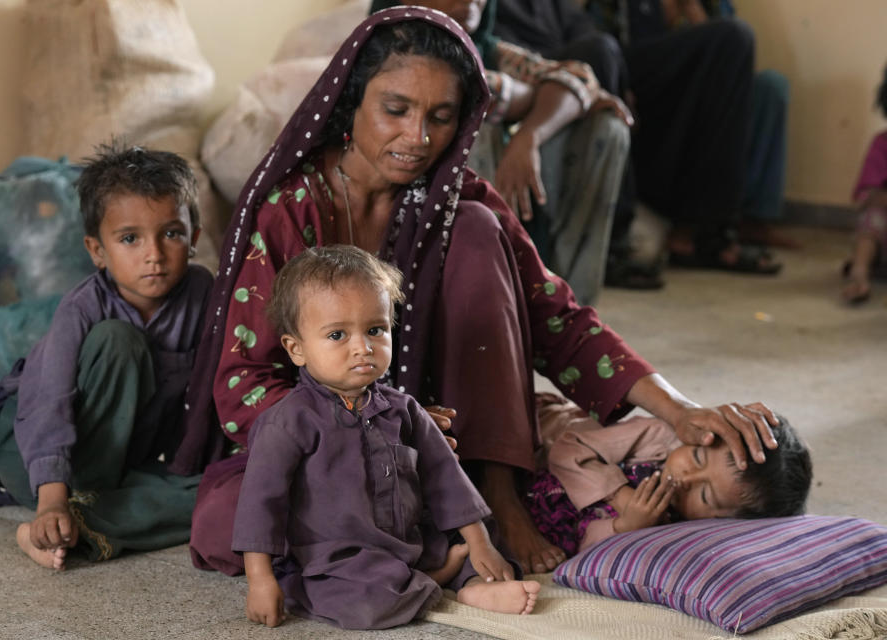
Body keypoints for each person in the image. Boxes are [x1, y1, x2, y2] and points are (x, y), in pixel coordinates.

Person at [173, 7, 780, 579]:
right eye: (395, 109)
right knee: (223, 520)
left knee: (474, 227)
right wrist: (360, 433)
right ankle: (425, 526)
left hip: (448, 429)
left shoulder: (456, 198)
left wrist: (678, 410)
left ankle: (495, 494)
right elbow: (244, 381)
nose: (417, 136)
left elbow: (559, 320)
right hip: (331, 437)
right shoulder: (290, 212)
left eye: (440, 117)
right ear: (350, 103)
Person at [239, 245, 540, 629]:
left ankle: (467, 584)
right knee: (365, 601)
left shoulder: (405, 409)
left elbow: (446, 476)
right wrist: (260, 580)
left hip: (409, 541)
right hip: (338, 560)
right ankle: (436, 583)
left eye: (376, 330)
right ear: (296, 349)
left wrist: (480, 543)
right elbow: (259, 506)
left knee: (480, 543)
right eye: (337, 335)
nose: (363, 348)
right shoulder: (286, 423)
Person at [0, 143, 212, 570]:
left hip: (117, 464)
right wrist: (52, 500)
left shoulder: (204, 294)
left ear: (194, 239)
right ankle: (63, 516)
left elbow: (215, 386)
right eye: (129, 238)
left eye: (171, 233)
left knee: (221, 496)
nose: (153, 253)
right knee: (118, 340)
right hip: (33, 457)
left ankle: (80, 524)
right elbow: (47, 403)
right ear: (97, 251)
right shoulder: (82, 306)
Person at [370, 0, 634, 305]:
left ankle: (564, 308)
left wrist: (529, 137)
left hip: (504, 150)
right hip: (410, 230)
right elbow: (473, 90)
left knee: (606, 126)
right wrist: (537, 95)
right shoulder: (385, 52)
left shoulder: (486, 50)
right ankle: (479, 305)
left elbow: (580, 77)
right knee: (478, 124)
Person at [579, 0, 783, 275]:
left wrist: (688, 8)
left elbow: (723, 56)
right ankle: (707, 235)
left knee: (757, 71)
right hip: (634, 80)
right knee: (734, 35)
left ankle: (702, 232)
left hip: (686, 89)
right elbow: (595, 42)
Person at [525, 395, 811, 555]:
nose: (686, 479)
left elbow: (581, 544)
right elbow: (567, 449)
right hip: (537, 432)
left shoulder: (678, 528)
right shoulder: (660, 435)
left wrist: (625, 528)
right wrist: (622, 495)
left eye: (704, 495)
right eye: (697, 457)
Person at [842, 64, 887, 304]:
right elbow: (865, 198)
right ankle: (859, 276)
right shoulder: (882, 144)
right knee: (874, 215)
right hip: (881, 242)